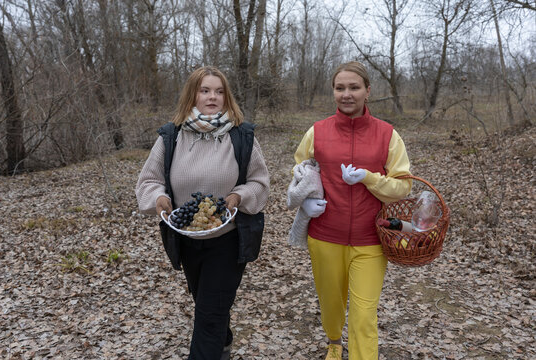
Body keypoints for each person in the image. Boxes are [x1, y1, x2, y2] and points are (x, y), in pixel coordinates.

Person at [136, 66, 269, 360]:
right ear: (192, 95)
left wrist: (239, 195)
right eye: (205, 90)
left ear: (227, 96)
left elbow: (260, 182)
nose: (213, 97)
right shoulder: (171, 136)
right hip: (186, 239)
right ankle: (223, 343)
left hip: (228, 240)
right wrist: (158, 197)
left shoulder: (241, 136)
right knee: (208, 305)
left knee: (208, 314)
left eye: (219, 91)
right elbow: (149, 180)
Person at [292, 61, 412, 360]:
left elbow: (403, 186)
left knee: (363, 315)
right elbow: (299, 171)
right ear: (333, 91)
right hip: (324, 236)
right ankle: (334, 341)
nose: (347, 94)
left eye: (354, 87)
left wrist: (370, 178)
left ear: (367, 91)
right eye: (340, 88)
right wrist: (305, 200)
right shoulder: (317, 132)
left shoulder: (388, 135)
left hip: (370, 239)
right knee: (331, 303)